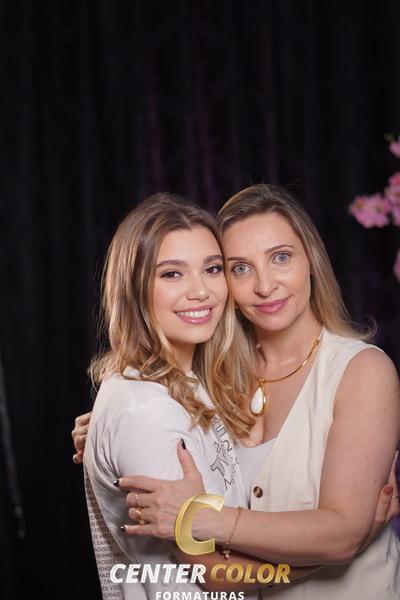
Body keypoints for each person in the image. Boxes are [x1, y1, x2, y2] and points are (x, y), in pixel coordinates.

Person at [88, 184, 399, 599]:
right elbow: (211, 571)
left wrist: (206, 518)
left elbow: (342, 533)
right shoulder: (214, 376)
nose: (265, 285)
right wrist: (105, 431)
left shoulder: (362, 371)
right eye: (239, 268)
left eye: (281, 257)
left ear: (312, 261)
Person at [83, 191, 309, 600]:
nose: (201, 291)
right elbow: (213, 573)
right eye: (172, 274)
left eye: (212, 269)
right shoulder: (147, 410)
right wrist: (332, 558)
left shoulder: (188, 385)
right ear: (134, 289)